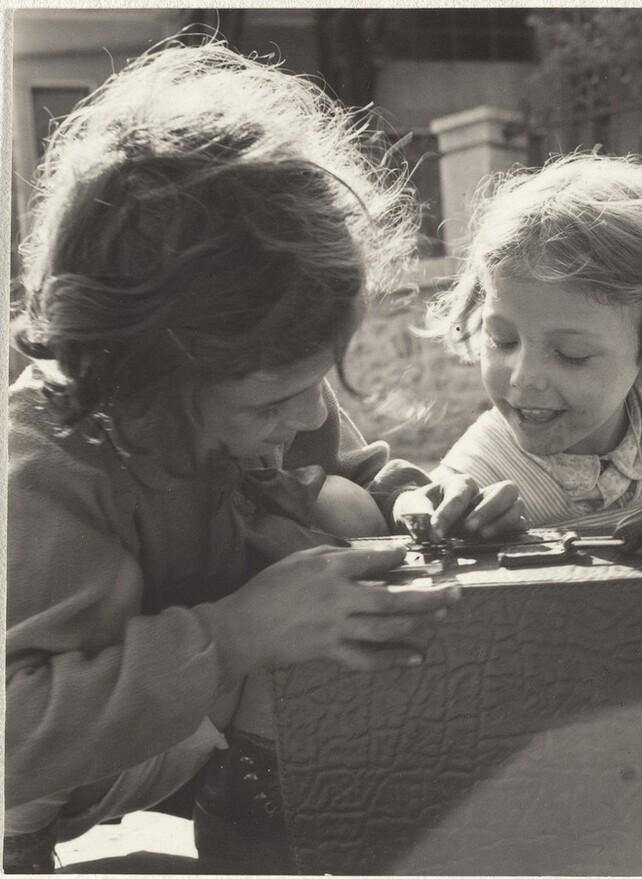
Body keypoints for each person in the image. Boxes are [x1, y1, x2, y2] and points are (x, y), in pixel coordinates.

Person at [4, 41, 522, 873]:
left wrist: (421, 502)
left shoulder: (275, 394)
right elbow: (16, 726)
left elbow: (354, 476)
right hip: (43, 761)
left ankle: (261, 835)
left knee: (321, 558)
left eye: (313, 385)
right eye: (270, 402)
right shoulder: (48, 463)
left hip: (180, 727)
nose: (307, 416)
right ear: (147, 378)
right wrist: (240, 629)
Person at [428, 153, 642, 530]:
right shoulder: (482, 471)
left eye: (571, 355)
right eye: (502, 340)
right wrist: (446, 516)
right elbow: (431, 527)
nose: (524, 378)